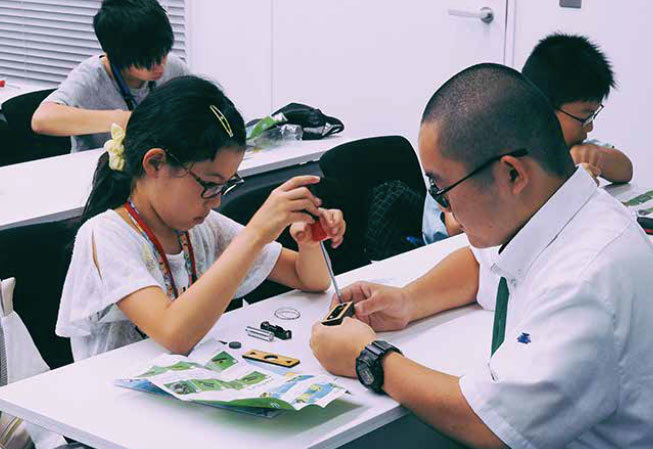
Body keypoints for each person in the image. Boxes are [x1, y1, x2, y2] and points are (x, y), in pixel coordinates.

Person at [311, 63, 653, 448]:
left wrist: (368, 358)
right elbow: (481, 264)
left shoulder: (586, 278)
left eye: (442, 188)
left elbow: (493, 427)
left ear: (512, 174)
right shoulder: (560, 216)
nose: (446, 207)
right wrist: (406, 301)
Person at [56, 75, 346, 361]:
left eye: (225, 185)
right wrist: (255, 234)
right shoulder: (106, 235)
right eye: (210, 184)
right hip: (110, 395)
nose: (218, 200)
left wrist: (310, 241)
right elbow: (175, 334)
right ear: (155, 163)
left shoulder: (197, 228)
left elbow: (310, 279)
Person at [31, 0, 189, 152]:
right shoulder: (91, 78)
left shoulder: (172, 67)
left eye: (163, 54)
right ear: (115, 55)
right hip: (101, 170)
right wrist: (124, 119)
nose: (160, 66)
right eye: (146, 61)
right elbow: (42, 119)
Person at [522, 33, 633, 183]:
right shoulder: (511, 152)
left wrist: (597, 155)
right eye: (585, 117)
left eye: (592, 116)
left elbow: (625, 171)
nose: (590, 128)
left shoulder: (572, 147)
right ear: (543, 109)